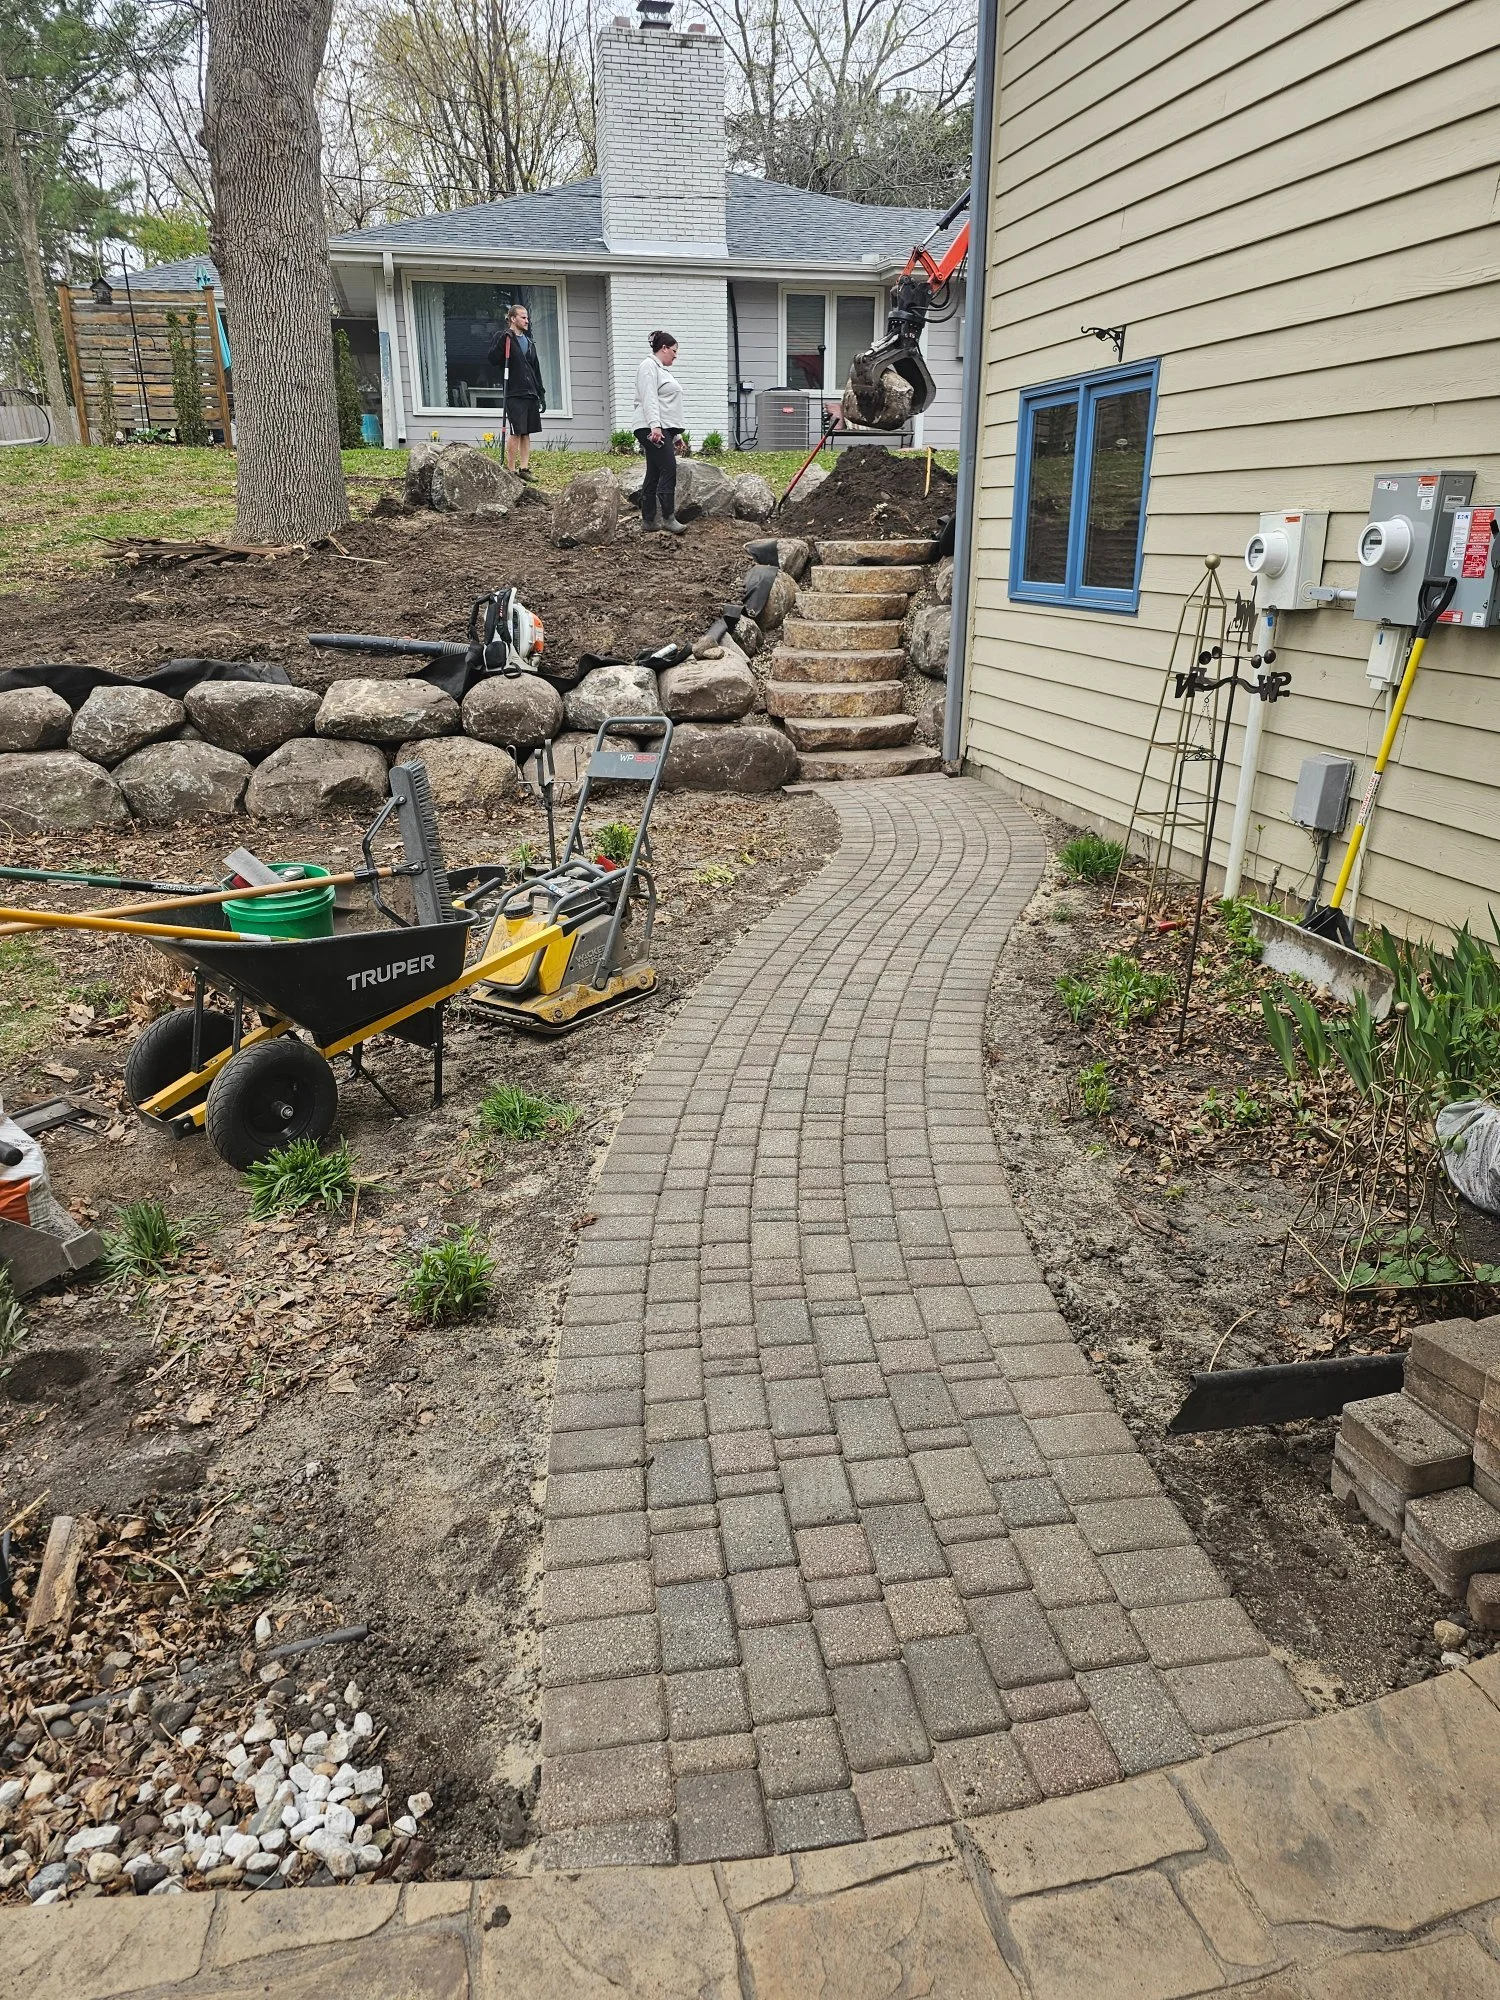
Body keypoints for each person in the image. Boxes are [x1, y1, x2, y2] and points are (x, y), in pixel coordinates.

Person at [633, 330, 686, 536]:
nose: (675, 355)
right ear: (663, 348)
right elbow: (649, 398)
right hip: (649, 426)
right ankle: (668, 518)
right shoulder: (648, 367)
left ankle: (648, 520)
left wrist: (676, 435)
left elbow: (666, 405)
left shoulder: (662, 370)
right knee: (668, 468)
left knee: (654, 471)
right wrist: (655, 426)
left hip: (659, 426)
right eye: (673, 350)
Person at [490, 303, 545, 479]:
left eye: (527, 317)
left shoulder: (529, 342)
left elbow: (536, 369)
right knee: (516, 431)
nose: (527, 320)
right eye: (523, 317)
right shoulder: (504, 338)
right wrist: (501, 341)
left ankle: (524, 469)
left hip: (530, 392)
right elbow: (492, 358)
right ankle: (511, 470)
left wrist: (541, 393)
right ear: (513, 319)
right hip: (514, 391)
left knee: (526, 431)